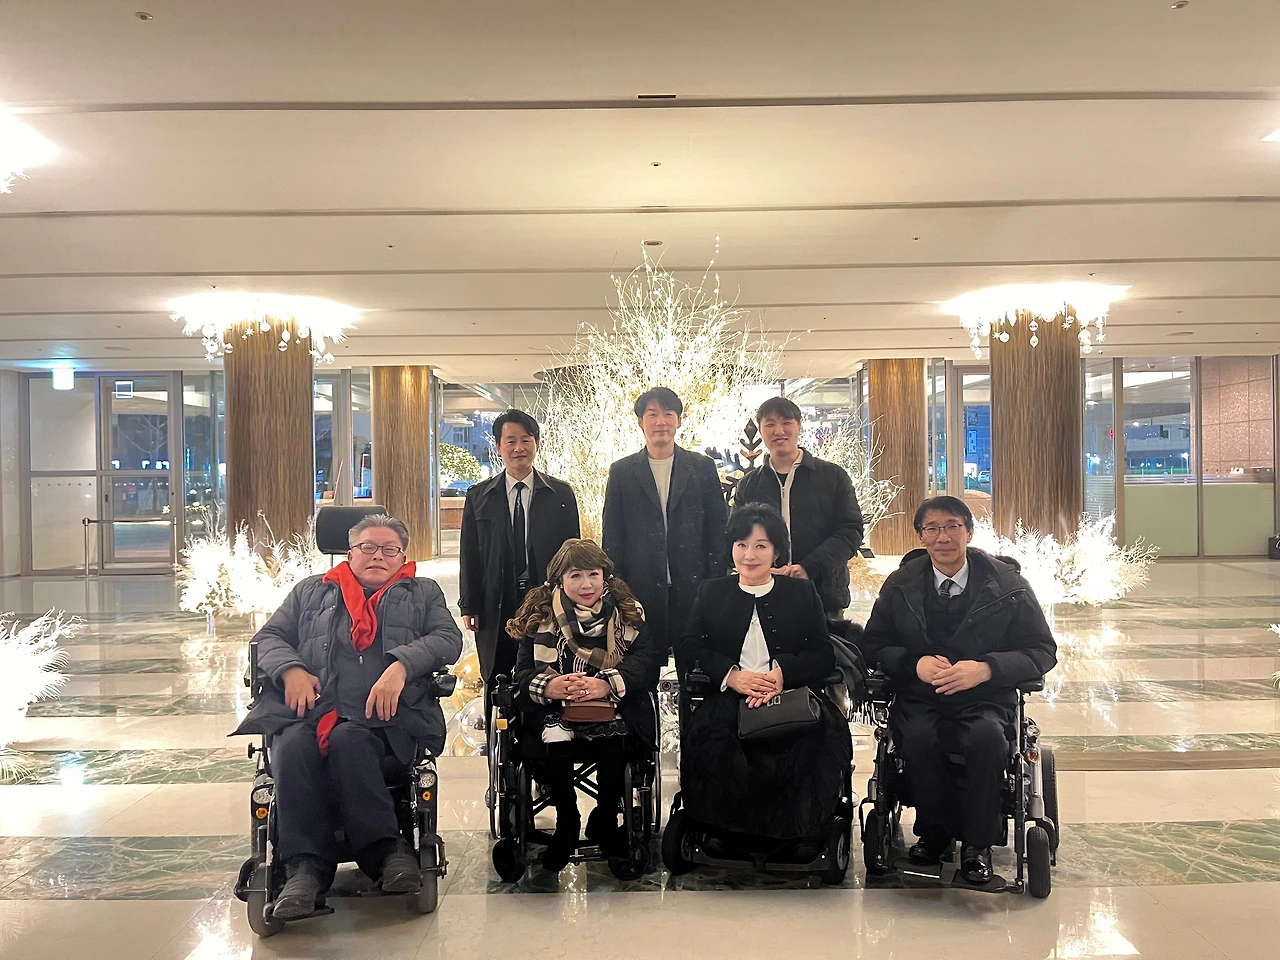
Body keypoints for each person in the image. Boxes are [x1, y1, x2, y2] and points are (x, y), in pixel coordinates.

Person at [232, 514, 463, 919]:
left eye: (389, 549)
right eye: (367, 547)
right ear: (350, 553)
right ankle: (305, 869)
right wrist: (290, 669)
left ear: (402, 556)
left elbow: (448, 639)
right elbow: (267, 637)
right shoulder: (311, 590)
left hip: (389, 722)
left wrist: (401, 666)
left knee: (349, 740)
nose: (378, 556)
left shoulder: (422, 592)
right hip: (311, 713)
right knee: (292, 744)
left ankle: (386, 853)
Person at [859, 495, 1057, 884]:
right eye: (932, 528)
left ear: (968, 531)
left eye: (952, 526)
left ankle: (977, 844)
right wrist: (914, 663)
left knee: (986, 740)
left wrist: (987, 669)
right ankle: (934, 834)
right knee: (917, 738)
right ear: (921, 536)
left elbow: (1041, 650)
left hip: (985, 697)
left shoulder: (1008, 585)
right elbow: (873, 644)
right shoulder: (901, 584)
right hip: (920, 695)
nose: (943, 537)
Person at [679, 503, 852, 841]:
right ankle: (728, 835)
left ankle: (797, 836)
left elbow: (822, 655)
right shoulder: (712, 591)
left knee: (815, 746)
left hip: (792, 697)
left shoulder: (801, 592)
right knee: (712, 745)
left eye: (761, 545)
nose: (749, 555)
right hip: (730, 697)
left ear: (776, 552)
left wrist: (782, 674)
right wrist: (732, 676)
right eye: (741, 544)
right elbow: (690, 647)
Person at [509, 539, 660, 871]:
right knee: (555, 735)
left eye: (593, 574)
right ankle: (567, 820)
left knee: (615, 736)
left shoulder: (627, 613)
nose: (586, 584)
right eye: (575, 575)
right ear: (560, 579)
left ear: (605, 575)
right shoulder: (540, 615)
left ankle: (606, 818)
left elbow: (647, 661)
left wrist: (606, 683)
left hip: (611, 702)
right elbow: (522, 671)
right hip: (552, 708)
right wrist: (551, 686)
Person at [602, 387, 728, 663]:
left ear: (679, 420)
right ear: (640, 421)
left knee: (695, 668)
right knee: (641, 668)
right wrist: (618, 588)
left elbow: (717, 528)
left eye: (668, 414)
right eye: (652, 414)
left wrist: (714, 582)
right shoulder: (622, 472)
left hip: (694, 587)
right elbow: (613, 535)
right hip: (640, 589)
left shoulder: (702, 468)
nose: (661, 421)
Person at [459, 409, 581, 691]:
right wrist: (469, 605)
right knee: (497, 677)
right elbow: (470, 555)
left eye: (526, 440)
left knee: (545, 671)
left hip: (547, 598)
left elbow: (572, 552)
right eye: (510, 441)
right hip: (495, 598)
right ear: (498, 447)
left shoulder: (560, 494)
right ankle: (497, 720)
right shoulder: (479, 497)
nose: (519, 448)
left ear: (536, 443)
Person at [734, 396, 865, 617]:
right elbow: (737, 536)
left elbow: (850, 531)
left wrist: (808, 568)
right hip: (763, 594)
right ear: (760, 430)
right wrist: (763, 569)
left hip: (822, 594)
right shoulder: (749, 485)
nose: (779, 431)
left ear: (799, 426)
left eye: (786, 422)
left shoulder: (832, 477)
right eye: (770, 424)